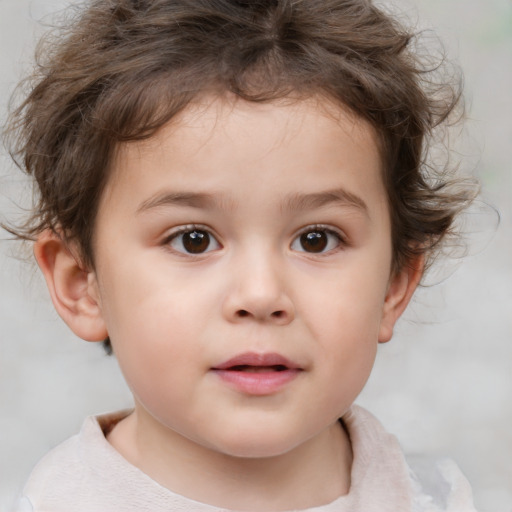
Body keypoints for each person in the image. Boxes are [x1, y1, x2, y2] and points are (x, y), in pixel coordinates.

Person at [4, 0, 478, 510]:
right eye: (193, 240)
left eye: (316, 239)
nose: (260, 295)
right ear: (82, 284)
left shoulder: (439, 499)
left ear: (394, 283)